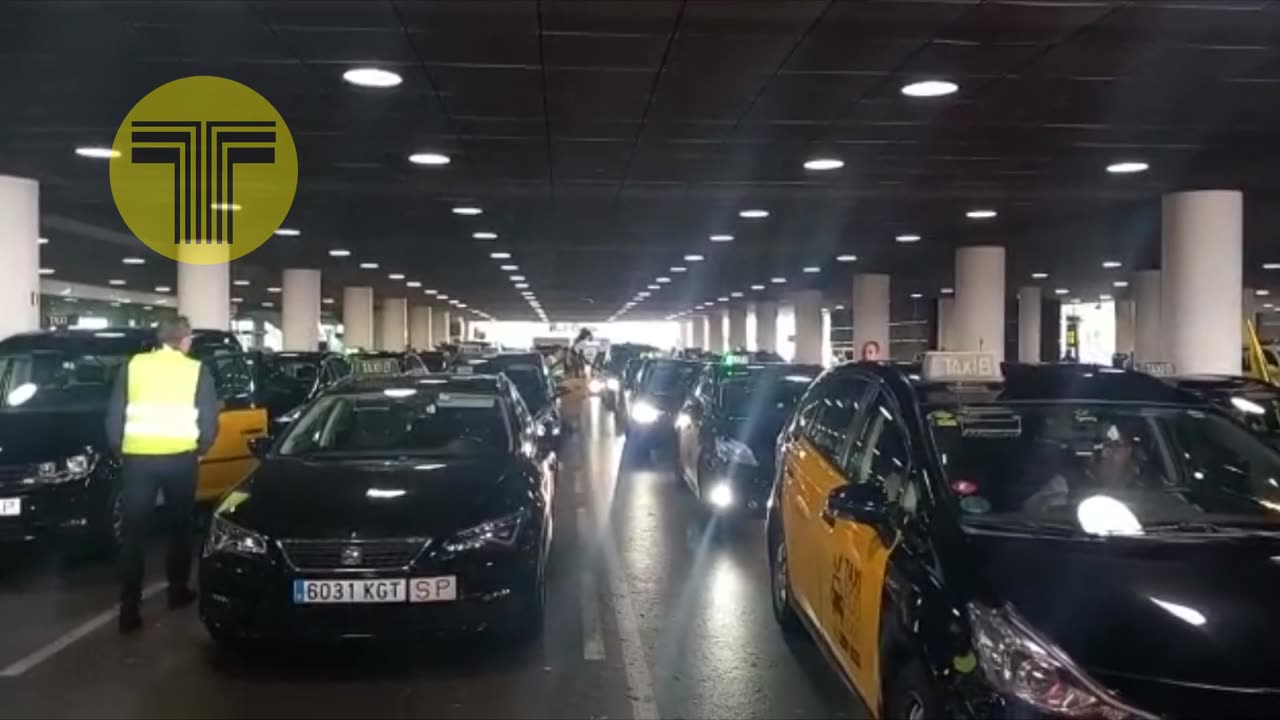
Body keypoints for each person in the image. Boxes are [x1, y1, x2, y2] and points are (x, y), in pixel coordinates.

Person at [105, 316, 218, 634]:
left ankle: (129, 607)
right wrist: (200, 448)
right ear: (183, 340)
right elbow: (209, 420)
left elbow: (115, 414)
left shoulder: (134, 366)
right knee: (180, 527)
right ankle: (177, 590)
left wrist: (122, 449)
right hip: (180, 459)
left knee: (134, 533)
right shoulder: (196, 370)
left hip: (138, 459)